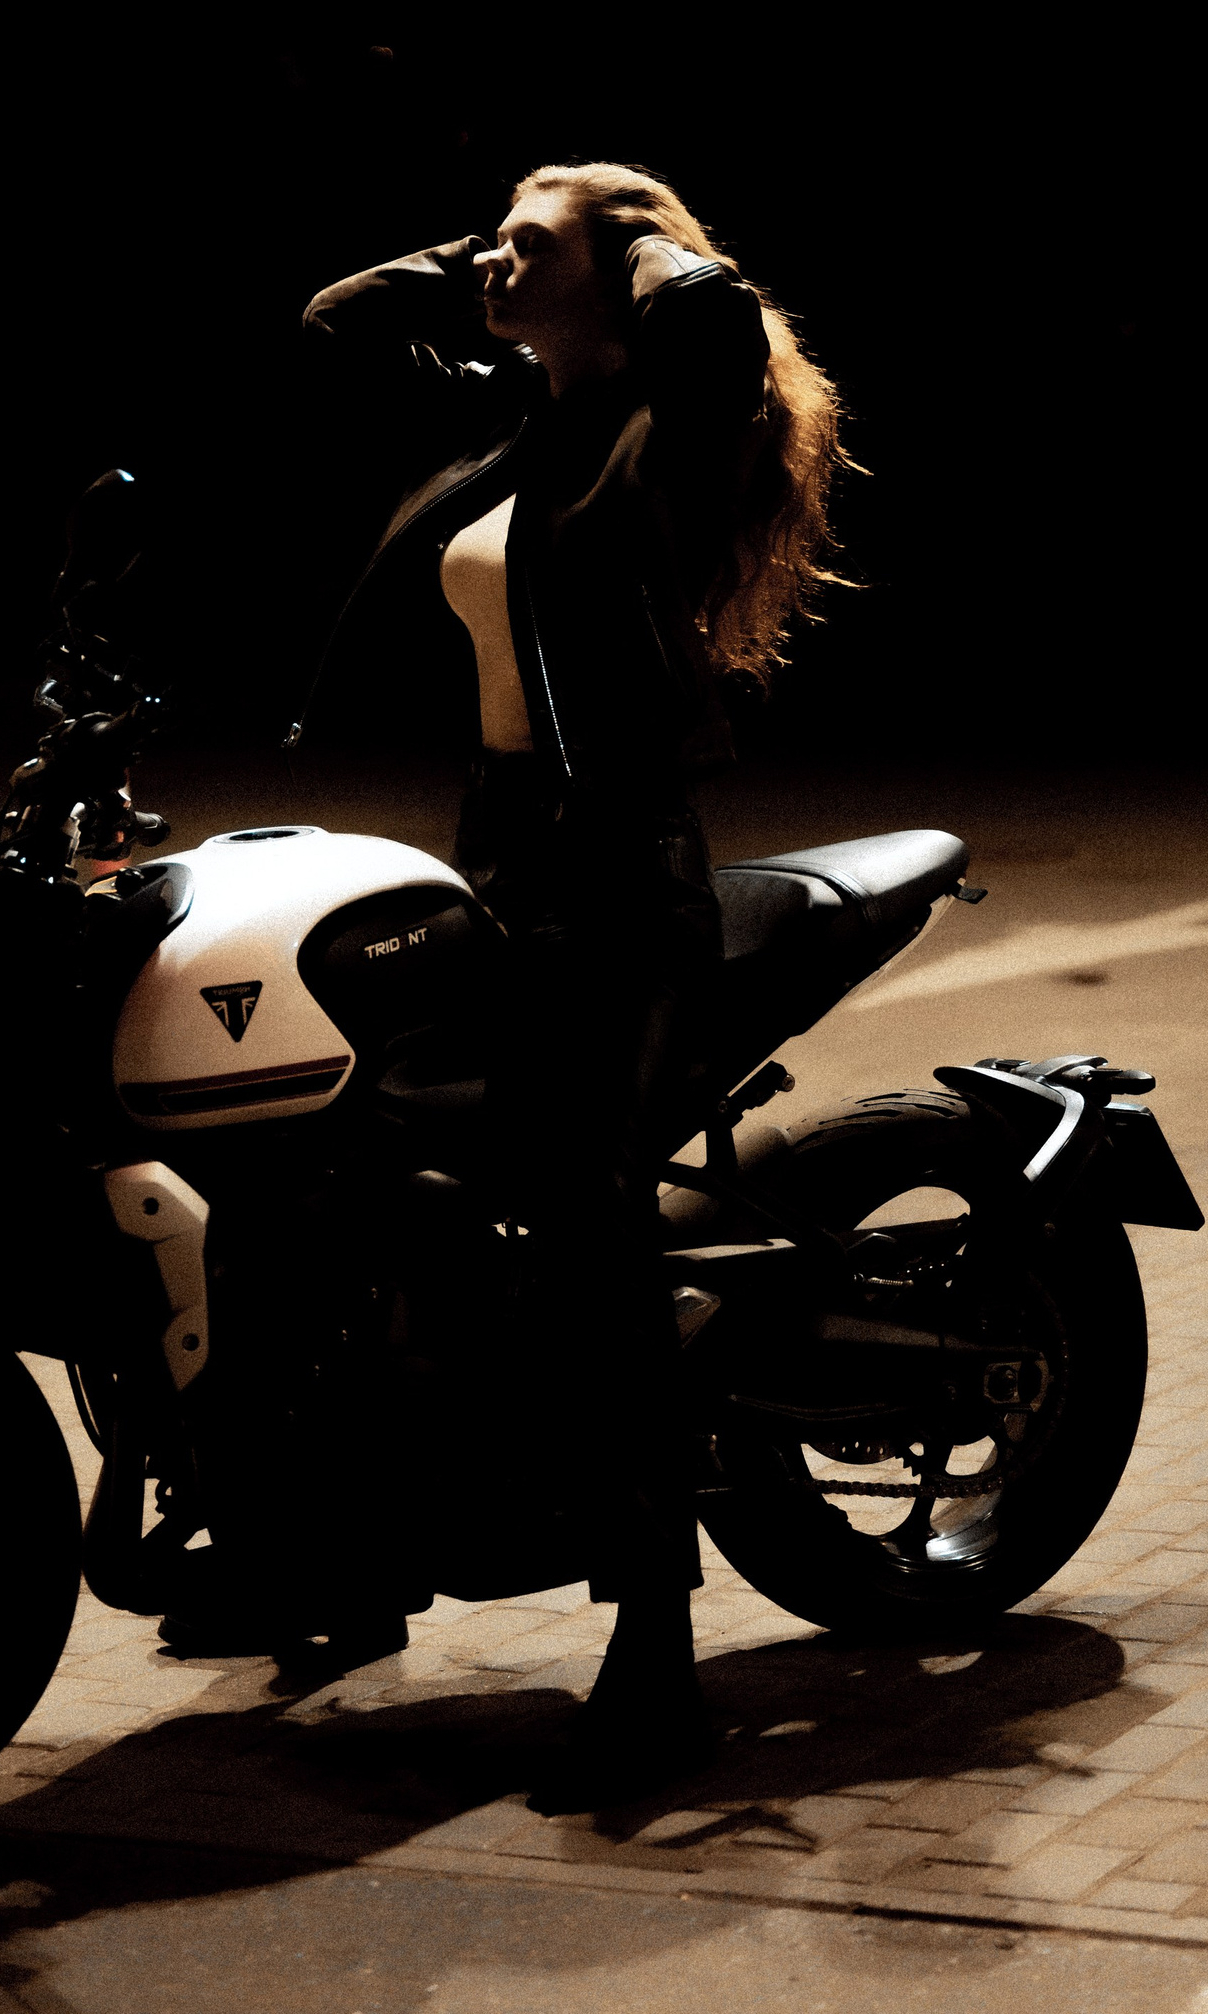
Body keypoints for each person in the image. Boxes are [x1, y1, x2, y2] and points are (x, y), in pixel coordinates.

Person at [298, 157, 850, 1801]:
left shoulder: (668, 423)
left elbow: (719, 337)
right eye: (486, 236)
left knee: (584, 1218)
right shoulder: (526, 414)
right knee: (362, 1157)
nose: (490, 260)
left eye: (525, 245)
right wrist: (489, 259)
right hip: (496, 847)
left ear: (622, 285)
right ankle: (358, 1558)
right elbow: (333, 323)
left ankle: (657, 1643)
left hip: (616, 869)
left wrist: (655, 257)